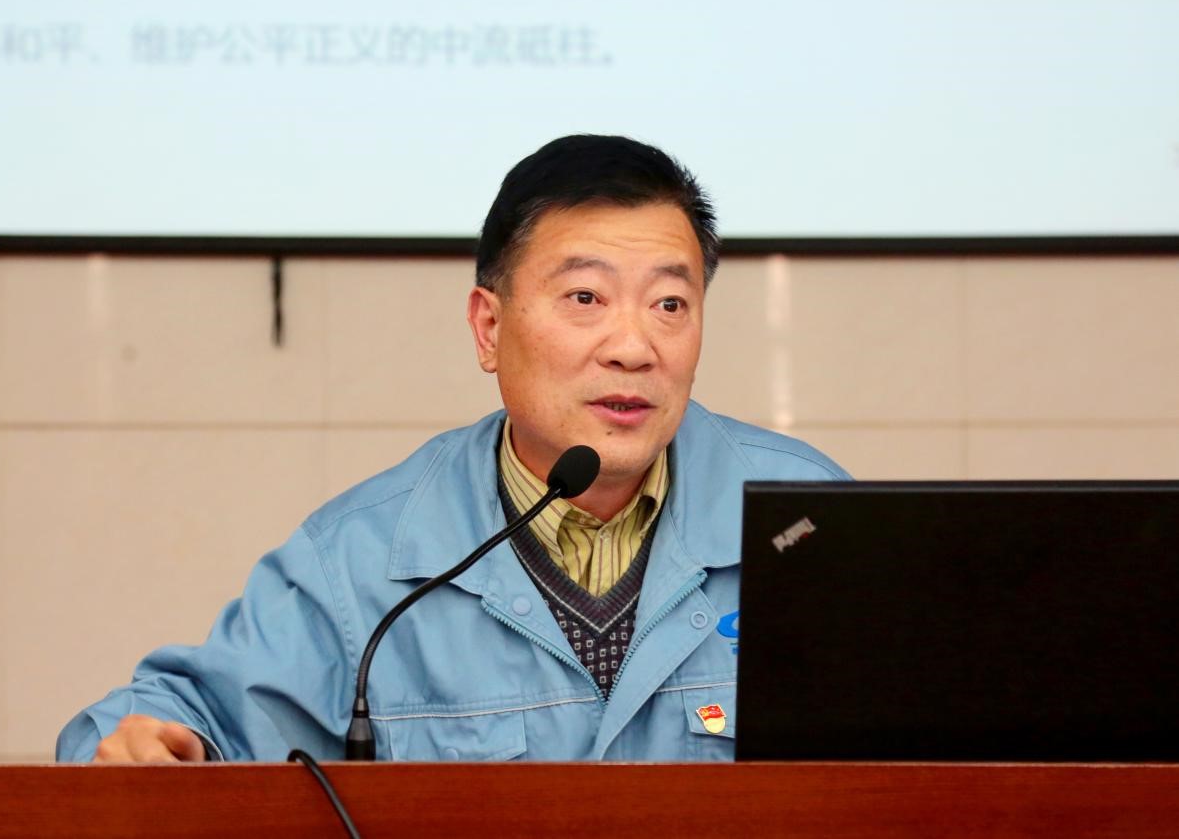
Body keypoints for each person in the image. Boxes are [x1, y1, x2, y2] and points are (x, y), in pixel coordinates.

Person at [58, 134, 848, 763]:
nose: (633, 347)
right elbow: (191, 720)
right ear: (488, 326)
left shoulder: (807, 516)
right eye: (585, 297)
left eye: (669, 303)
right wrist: (144, 741)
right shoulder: (365, 558)